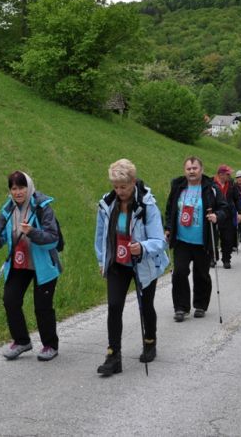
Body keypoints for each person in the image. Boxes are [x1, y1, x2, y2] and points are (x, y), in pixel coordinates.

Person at [94, 159, 170, 376]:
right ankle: (113, 356)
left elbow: (159, 240)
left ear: (133, 182)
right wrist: (102, 260)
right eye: (116, 186)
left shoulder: (147, 205)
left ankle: (150, 341)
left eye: (124, 187)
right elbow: (100, 236)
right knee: (114, 306)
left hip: (142, 263)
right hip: (117, 263)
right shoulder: (107, 204)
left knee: (146, 305)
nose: (119, 191)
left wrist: (142, 247)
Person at [0, 171, 62, 361]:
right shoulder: (8, 208)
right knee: (10, 300)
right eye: (14, 188)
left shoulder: (42, 207)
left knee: (42, 306)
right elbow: (0, 231)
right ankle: (22, 341)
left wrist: (33, 233)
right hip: (19, 262)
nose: (18, 192)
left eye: (21, 187)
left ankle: (50, 345)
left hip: (43, 265)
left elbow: (53, 239)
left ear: (28, 187)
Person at [165, 156, 228, 321]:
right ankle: (181, 308)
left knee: (201, 274)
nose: (192, 171)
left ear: (202, 170)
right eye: (188, 169)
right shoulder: (178, 186)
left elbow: (224, 208)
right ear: (184, 171)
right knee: (179, 272)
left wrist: (216, 216)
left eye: (195, 168)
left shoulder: (211, 188)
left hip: (203, 241)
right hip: (181, 240)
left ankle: (200, 305)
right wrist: (168, 228)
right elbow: (170, 208)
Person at [214, 164, 241, 269]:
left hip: (228, 215)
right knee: (213, 237)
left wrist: (240, 212)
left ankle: (226, 259)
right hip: (215, 215)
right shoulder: (211, 185)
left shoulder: (232, 186)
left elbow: (238, 199)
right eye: (228, 174)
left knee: (227, 239)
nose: (229, 175)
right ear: (221, 174)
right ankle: (213, 258)